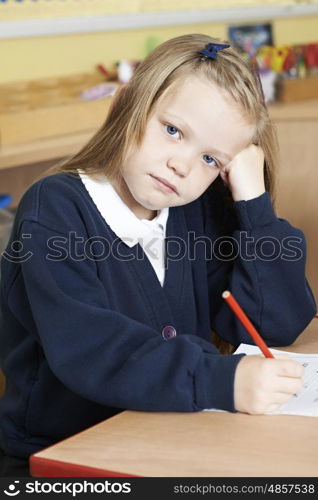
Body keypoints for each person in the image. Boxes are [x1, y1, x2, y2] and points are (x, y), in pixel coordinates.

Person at [0, 34, 316, 476]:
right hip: (64, 454)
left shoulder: (189, 210)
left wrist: (254, 202)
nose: (182, 165)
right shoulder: (55, 210)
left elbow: (275, 324)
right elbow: (91, 348)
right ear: (125, 105)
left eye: (210, 158)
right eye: (172, 131)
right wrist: (218, 380)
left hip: (168, 432)